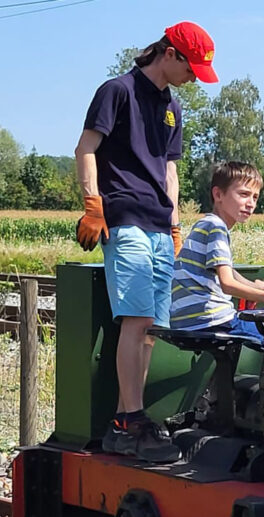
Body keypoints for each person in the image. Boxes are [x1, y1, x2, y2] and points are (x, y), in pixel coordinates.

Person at [74, 21, 219, 463]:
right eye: (191, 68)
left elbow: (170, 170)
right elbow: (86, 148)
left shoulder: (173, 106)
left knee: (152, 328)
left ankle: (125, 420)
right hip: (126, 218)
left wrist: (176, 225)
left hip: (159, 226)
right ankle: (131, 419)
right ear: (170, 53)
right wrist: (93, 204)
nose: (193, 78)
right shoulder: (117, 91)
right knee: (135, 320)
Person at [170, 162, 264, 340]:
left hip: (190, 321)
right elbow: (227, 283)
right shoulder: (216, 227)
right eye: (244, 194)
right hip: (213, 322)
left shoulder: (205, 224)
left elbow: (227, 271)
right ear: (218, 194)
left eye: (255, 197)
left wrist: (253, 286)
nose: (251, 204)